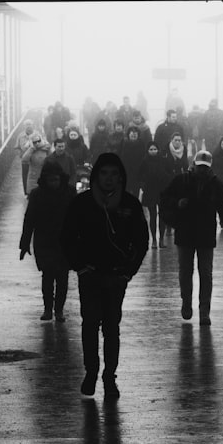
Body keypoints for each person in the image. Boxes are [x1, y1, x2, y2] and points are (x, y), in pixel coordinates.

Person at [61, 152, 149, 401]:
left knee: (111, 327)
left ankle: (109, 377)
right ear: (96, 176)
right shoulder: (82, 203)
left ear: (120, 176)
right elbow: (67, 237)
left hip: (116, 276)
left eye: (113, 174)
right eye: (104, 173)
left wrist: (127, 271)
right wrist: (79, 265)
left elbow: (141, 241)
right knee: (90, 324)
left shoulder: (130, 205)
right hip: (90, 274)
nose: (109, 179)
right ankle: (91, 372)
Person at [160, 150, 223, 326]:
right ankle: (188, 303)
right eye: (200, 166)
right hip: (188, 232)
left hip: (203, 234)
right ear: (194, 164)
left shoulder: (214, 184)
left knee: (202, 272)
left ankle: (203, 311)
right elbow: (165, 199)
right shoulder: (182, 181)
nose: (202, 170)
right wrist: (177, 204)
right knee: (189, 272)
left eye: (204, 167)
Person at [19, 161, 75, 321]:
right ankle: (49, 309)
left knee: (62, 278)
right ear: (45, 180)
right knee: (48, 276)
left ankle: (58, 310)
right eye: (51, 180)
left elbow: (78, 218)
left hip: (64, 241)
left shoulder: (69, 193)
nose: (54, 183)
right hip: (45, 241)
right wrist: (24, 244)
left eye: (56, 180)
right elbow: (29, 219)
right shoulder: (37, 195)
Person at [138, 140, 171, 248]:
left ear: (158, 150)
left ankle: (161, 239)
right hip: (150, 191)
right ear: (147, 150)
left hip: (162, 190)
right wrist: (143, 185)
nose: (153, 151)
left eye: (155, 149)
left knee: (162, 215)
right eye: (151, 149)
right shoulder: (144, 161)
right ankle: (154, 240)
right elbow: (140, 175)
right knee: (152, 216)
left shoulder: (163, 160)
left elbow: (168, 174)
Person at [120, 125, 148, 198]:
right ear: (128, 134)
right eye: (132, 133)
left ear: (138, 135)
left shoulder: (141, 144)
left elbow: (144, 157)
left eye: (135, 134)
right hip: (126, 171)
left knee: (136, 191)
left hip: (138, 172)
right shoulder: (124, 143)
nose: (133, 135)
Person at [16, 120, 37, 194]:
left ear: (32, 125)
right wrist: (21, 155)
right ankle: (26, 192)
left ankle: (34, 192)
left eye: (30, 124)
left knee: (34, 176)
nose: (28, 126)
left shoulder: (37, 134)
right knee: (25, 176)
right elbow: (18, 147)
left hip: (35, 159)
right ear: (24, 126)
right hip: (25, 160)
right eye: (27, 125)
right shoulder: (20, 136)